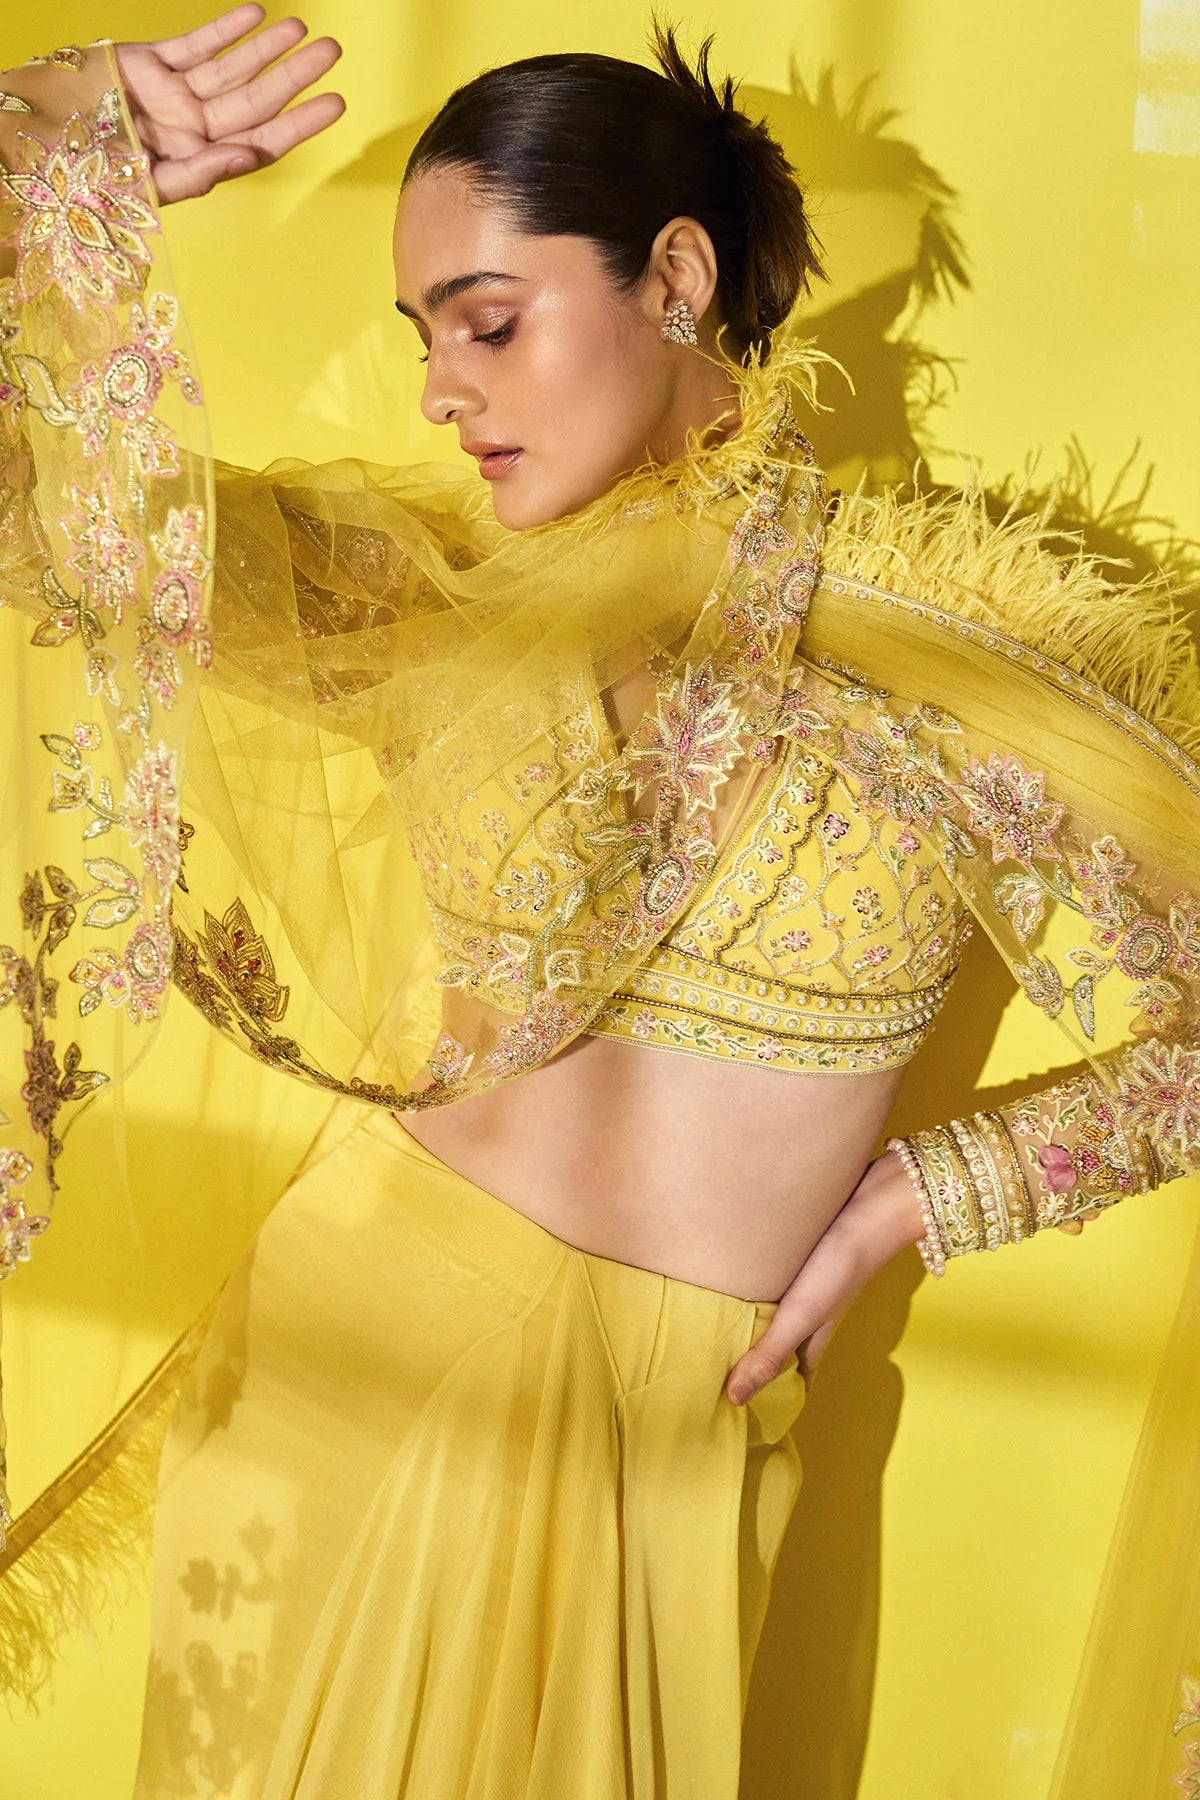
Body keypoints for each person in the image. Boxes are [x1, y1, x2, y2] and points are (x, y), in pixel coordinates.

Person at [0, 9, 1198, 1795]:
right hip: (341, 1374)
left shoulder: (952, 649)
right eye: (420, 337)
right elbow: (41, 518)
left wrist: (914, 1202)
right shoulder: (420, 598)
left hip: (670, 1437)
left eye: (486, 322)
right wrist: (47, 135)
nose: (439, 389)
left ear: (678, 279)